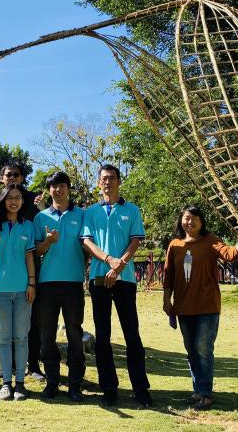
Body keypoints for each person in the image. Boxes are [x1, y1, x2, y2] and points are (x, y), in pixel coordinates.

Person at [162, 205, 238, 410]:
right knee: (191, 351)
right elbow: (168, 276)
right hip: (183, 307)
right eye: (187, 218)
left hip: (207, 307)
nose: (190, 222)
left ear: (201, 222)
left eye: (195, 218)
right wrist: (167, 300)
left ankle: (205, 393)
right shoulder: (174, 245)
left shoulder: (210, 240)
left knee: (203, 350)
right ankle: (197, 390)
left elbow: (230, 254)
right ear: (181, 221)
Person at [80, 164, 152, 408]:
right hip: (99, 278)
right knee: (103, 336)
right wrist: (108, 260)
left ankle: (141, 389)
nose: (107, 182)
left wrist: (119, 264)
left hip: (125, 278)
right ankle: (109, 388)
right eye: (104, 178)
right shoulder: (91, 211)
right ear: (98, 183)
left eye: (112, 178)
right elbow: (87, 241)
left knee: (132, 334)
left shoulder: (131, 210)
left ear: (119, 181)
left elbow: (135, 240)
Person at [0, 163, 45, 382]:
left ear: (22, 177)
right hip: (2, 273)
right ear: (1, 178)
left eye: (16, 175)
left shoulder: (33, 199)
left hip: (28, 268)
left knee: (31, 321)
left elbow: (41, 228)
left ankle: (33, 365)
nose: (12, 178)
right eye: (8, 175)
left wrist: (32, 281)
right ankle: (7, 367)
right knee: (6, 327)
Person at [33, 171, 86, 402]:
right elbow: (36, 251)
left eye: (62, 185)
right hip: (47, 283)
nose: (58, 189)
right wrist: (48, 241)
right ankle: (52, 382)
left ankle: (75, 385)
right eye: (54, 186)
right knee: (47, 334)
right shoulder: (41, 217)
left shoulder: (82, 215)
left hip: (73, 282)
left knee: (74, 333)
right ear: (49, 190)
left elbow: (87, 246)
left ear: (68, 188)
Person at [0, 184, 37, 401]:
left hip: (23, 289)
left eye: (18, 198)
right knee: (4, 338)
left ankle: (20, 383)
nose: (14, 201)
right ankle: (6, 383)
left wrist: (32, 284)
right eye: (10, 198)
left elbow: (29, 256)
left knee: (21, 337)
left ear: (22, 201)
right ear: (3, 201)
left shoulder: (28, 226)